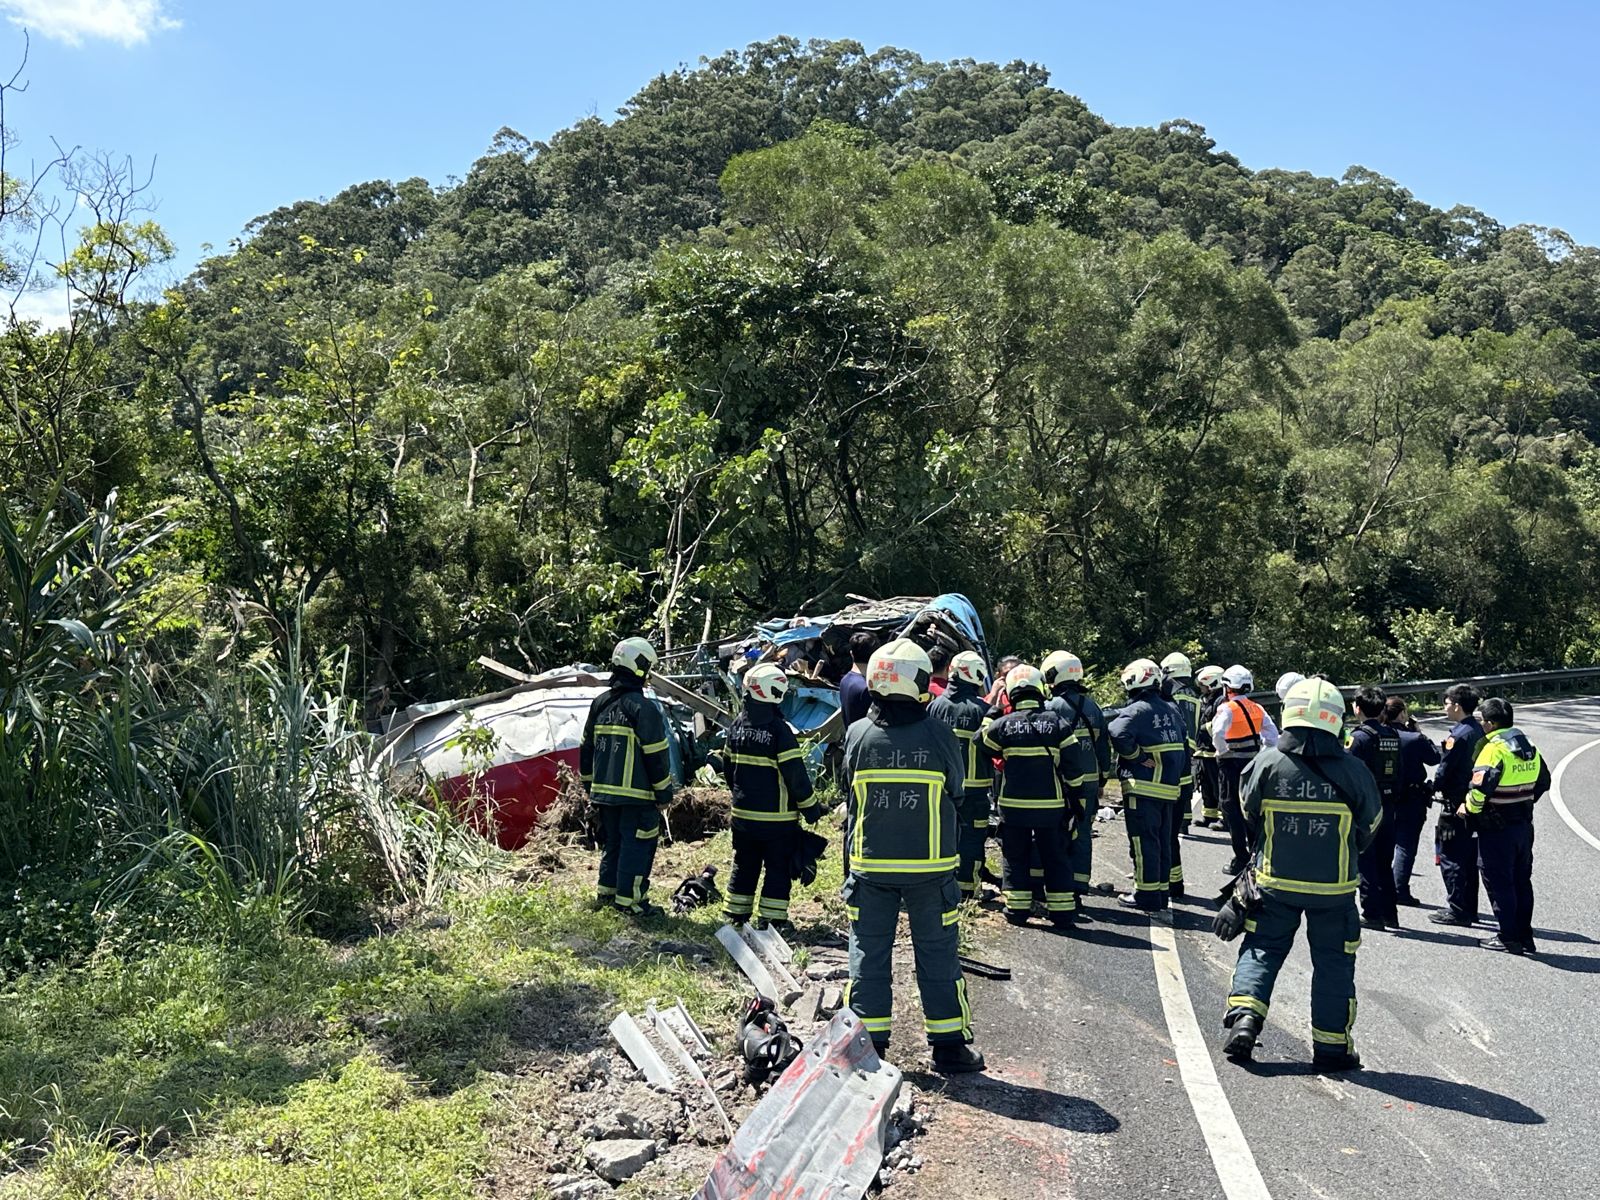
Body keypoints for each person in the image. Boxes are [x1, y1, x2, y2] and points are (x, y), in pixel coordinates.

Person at [1221, 678, 1381, 1071]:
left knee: (1262, 948)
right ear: (1336, 720)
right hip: (1335, 889)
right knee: (1334, 966)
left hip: (1275, 883)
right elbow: (1371, 825)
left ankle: (1245, 1017)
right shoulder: (1355, 771)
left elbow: (1248, 813)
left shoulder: (1267, 762)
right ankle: (1331, 1049)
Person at [841, 638, 983, 1073]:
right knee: (938, 954)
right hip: (931, 869)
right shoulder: (938, 733)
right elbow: (957, 790)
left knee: (868, 954)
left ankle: (869, 1048)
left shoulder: (858, 734)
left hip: (870, 866)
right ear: (919, 683)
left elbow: (849, 790)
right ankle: (949, 1048)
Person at [579, 637, 676, 917]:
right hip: (638, 796)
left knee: (614, 845)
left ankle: (607, 895)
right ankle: (631, 903)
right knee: (637, 847)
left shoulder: (600, 703)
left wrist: (590, 786)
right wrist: (664, 793)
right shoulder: (643, 708)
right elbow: (656, 756)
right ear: (641, 667)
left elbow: (586, 749)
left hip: (605, 796)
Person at [980, 665, 1080, 927]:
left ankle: (1016, 911)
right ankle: (1063, 913)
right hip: (1051, 806)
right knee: (1055, 857)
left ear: (1012, 692)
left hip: (1013, 807)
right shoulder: (1059, 723)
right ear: (1040, 690)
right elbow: (1074, 767)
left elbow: (981, 742)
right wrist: (1076, 796)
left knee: (1015, 856)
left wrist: (993, 711)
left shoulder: (1003, 725)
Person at [721, 663, 820, 929]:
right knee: (777, 867)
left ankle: (735, 914)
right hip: (777, 820)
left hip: (742, 816)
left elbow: (728, 768)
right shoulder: (779, 731)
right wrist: (811, 808)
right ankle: (773, 918)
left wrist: (741, 796)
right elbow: (795, 776)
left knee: (744, 864)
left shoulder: (736, 726)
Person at [1466, 698, 1549, 955]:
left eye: (1482, 721)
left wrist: (1470, 808)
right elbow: (1544, 780)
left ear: (1490, 724)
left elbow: (1480, 788)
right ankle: (1525, 936)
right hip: (1523, 823)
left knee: (1499, 882)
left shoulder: (1493, 748)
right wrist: (1523, 799)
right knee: (1521, 880)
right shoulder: (1528, 744)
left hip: (1497, 825)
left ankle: (1508, 937)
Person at [1108, 659, 1189, 911]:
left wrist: (1137, 757)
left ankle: (1146, 895)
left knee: (1144, 843)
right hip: (1168, 789)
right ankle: (1160, 892)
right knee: (1162, 841)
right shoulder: (1171, 709)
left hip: (1143, 788)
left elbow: (1117, 732)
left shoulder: (1137, 710)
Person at [928, 651, 996, 900]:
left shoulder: (934, 706)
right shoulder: (984, 711)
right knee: (972, 839)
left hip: (941, 789)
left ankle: (941, 887)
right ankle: (968, 889)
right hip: (974, 790)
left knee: (941, 837)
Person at [1041, 651, 1101, 909]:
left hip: (1061, 783)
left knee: (1058, 833)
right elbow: (1104, 748)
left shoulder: (1051, 707)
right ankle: (1079, 884)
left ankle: (1058, 885)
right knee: (1083, 831)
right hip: (1090, 781)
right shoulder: (1094, 707)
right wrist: (1101, 780)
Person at [1210, 665, 1278, 874]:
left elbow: (1217, 733)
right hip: (1253, 763)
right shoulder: (1257, 707)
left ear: (1227, 687)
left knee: (1231, 808)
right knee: (1251, 807)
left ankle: (1241, 858)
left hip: (1231, 764)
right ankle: (1256, 855)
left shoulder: (1226, 708)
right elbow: (1272, 735)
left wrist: (1222, 752)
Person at [1347, 686, 1402, 931]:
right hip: (1389, 803)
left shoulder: (1358, 737)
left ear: (1357, 708)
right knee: (1384, 860)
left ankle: (1371, 913)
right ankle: (1390, 912)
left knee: (1366, 860)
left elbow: (1349, 772)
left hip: (1366, 806)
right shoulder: (1391, 733)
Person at [1431, 684, 1485, 927]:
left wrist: (1430, 787)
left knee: (1451, 855)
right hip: (1473, 801)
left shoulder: (1459, 735)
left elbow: (1445, 769)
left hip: (1455, 802)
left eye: (1446, 702)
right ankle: (1469, 908)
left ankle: (1457, 909)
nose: (1445, 706)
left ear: (1457, 705)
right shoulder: (1478, 731)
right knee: (1470, 857)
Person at [1384, 697, 1440, 906]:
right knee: (1405, 846)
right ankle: (1399, 889)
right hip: (1411, 798)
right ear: (1401, 714)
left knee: (1383, 844)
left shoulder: (1377, 736)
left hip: (1384, 798)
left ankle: (1382, 887)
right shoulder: (1413, 738)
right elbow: (1435, 757)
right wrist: (1419, 732)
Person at [1161, 651, 1203, 898]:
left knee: (1163, 830)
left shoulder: (1170, 697)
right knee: (1174, 826)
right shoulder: (1195, 698)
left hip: (1169, 765)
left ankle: (1164, 879)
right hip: (1188, 764)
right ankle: (1175, 881)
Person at [1195, 665, 1226, 829]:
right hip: (1204, 751)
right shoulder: (1207, 699)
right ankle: (1209, 816)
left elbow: (1218, 726)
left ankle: (1223, 818)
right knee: (1206, 785)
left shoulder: (1221, 700)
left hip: (1215, 752)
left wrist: (1201, 729)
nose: (1201, 689)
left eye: (1203, 685)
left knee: (1219, 786)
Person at [838, 632, 877, 729]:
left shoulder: (845, 680)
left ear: (851, 654)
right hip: (863, 741)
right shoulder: (867, 688)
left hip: (851, 738)